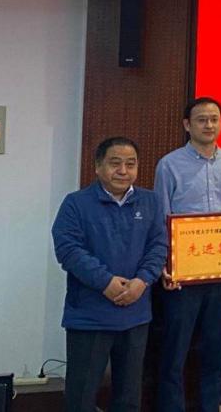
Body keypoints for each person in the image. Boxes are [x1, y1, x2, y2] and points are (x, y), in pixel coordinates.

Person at [154, 97, 221, 412]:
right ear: (187, 125)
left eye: (214, 119)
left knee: (214, 351)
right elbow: (161, 219)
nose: (208, 125)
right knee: (174, 353)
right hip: (183, 278)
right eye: (201, 119)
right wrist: (166, 266)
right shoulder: (169, 165)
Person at [52, 137, 167, 412]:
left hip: (135, 314)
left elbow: (159, 245)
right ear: (98, 166)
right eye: (115, 163)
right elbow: (68, 249)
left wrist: (142, 280)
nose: (123, 171)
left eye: (130, 164)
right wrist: (105, 282)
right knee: (81, 397)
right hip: (89, 316)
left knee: (129, 398)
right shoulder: (76, 203)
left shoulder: (150, 201)